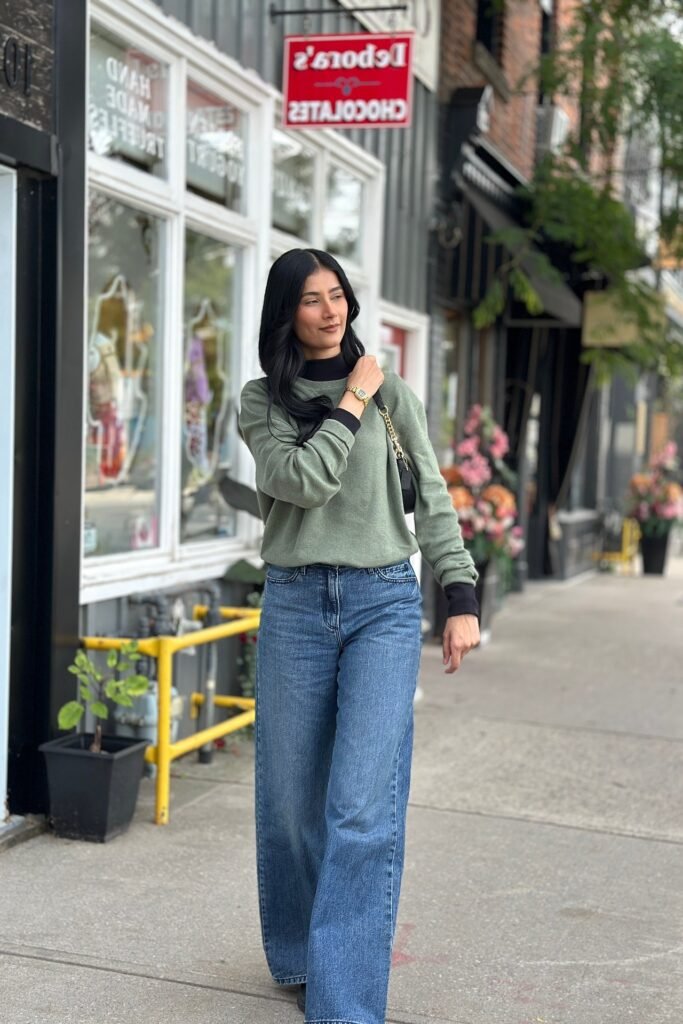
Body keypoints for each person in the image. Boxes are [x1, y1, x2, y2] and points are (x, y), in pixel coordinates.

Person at [238, 248, 480, 1024]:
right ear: (287, 313)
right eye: (310, 300)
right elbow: (303, 482)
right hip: (296, 605)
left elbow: (433, 496)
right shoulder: (260, 402)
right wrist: (349, 401)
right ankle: (303, 953)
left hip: (381, 603)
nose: (330, 310)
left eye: (336, 294)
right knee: (289, 804)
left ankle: (343, 1005)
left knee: (359, 809)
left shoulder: (390, 393)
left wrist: (461, 592)